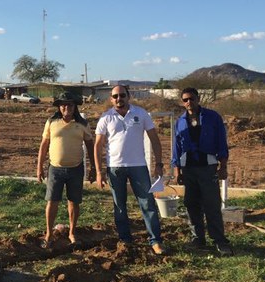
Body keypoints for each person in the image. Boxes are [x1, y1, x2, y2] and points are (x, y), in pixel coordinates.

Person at [94, 85, 166, 255]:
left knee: (147, 203)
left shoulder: (141, 113)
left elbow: (154, 139)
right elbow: (97, 146)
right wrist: (98, 171)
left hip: (138, 166)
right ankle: (125, 240)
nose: (119, 99)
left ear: (128, 96)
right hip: (115, 168)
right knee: (119, 206)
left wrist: (159, 164)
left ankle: (155, 241)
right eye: (115, 96)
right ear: (111, 99)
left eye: (122, 95)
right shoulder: (106, 117)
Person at [172, 87, 233, 255]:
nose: (189, 102)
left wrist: (223, 166)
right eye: (185, 100)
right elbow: (176, 148)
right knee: (191, 204)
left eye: (191, 98)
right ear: (182, 102)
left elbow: (221, 143)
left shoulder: (212, 117)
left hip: (208, 168)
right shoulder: (180, 121)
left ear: (198, 99)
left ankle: (219, 240)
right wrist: (177, 170)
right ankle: (197, 238)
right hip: (188, 169)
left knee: (212, 204)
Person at [36, 91, 96, 247]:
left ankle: (72, 233)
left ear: (75, 106)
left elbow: (90, 146)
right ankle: (49, 234)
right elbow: (44, 146)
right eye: (63, 105)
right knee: (52, 201)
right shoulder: (51, 122)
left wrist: (94, 168)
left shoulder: (82, 124)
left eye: (69, 104)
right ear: (59, 107)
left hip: (76, 169)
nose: (66, 107)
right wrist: (39, 167)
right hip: (55, 169)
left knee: (74, 202)